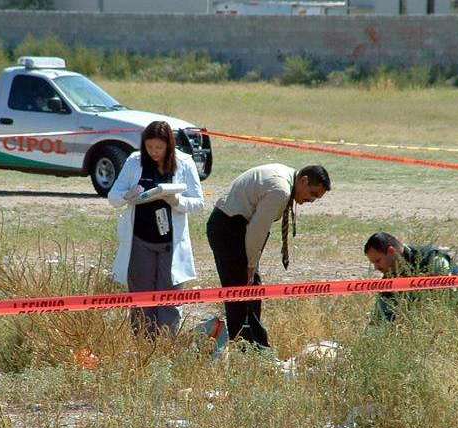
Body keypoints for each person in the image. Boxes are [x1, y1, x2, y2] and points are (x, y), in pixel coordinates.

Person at [206, 164, 331, 348]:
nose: (311, 200)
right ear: (304, 181)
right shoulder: (280, 190)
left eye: (316, 198)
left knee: (251, 290)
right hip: (229, 228)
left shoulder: (287, 178)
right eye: (312, 194)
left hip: (236, 226)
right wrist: (250, 265)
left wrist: (251, 265)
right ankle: (244, 348)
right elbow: (257, 231)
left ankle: (255, 345)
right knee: (239, 293)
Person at [108, 121, 204, 337]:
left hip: (170, 243)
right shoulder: (134, 161)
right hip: (140, 240)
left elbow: (199, 202)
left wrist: (177, 201)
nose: (154, 152)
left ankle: (165, 345)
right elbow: (113, 197)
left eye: (159, 147)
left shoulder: (184, 162)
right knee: (141, 298)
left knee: (169, 298)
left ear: (169, 145)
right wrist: (127, 195)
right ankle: (143, 345)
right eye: (149, 147)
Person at [363, 232, 458, 324]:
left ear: (391, 252)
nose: (376, 267)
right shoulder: (390, 278)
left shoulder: (431, 259)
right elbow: (380, 318)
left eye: (378, 261)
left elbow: (448, 299)